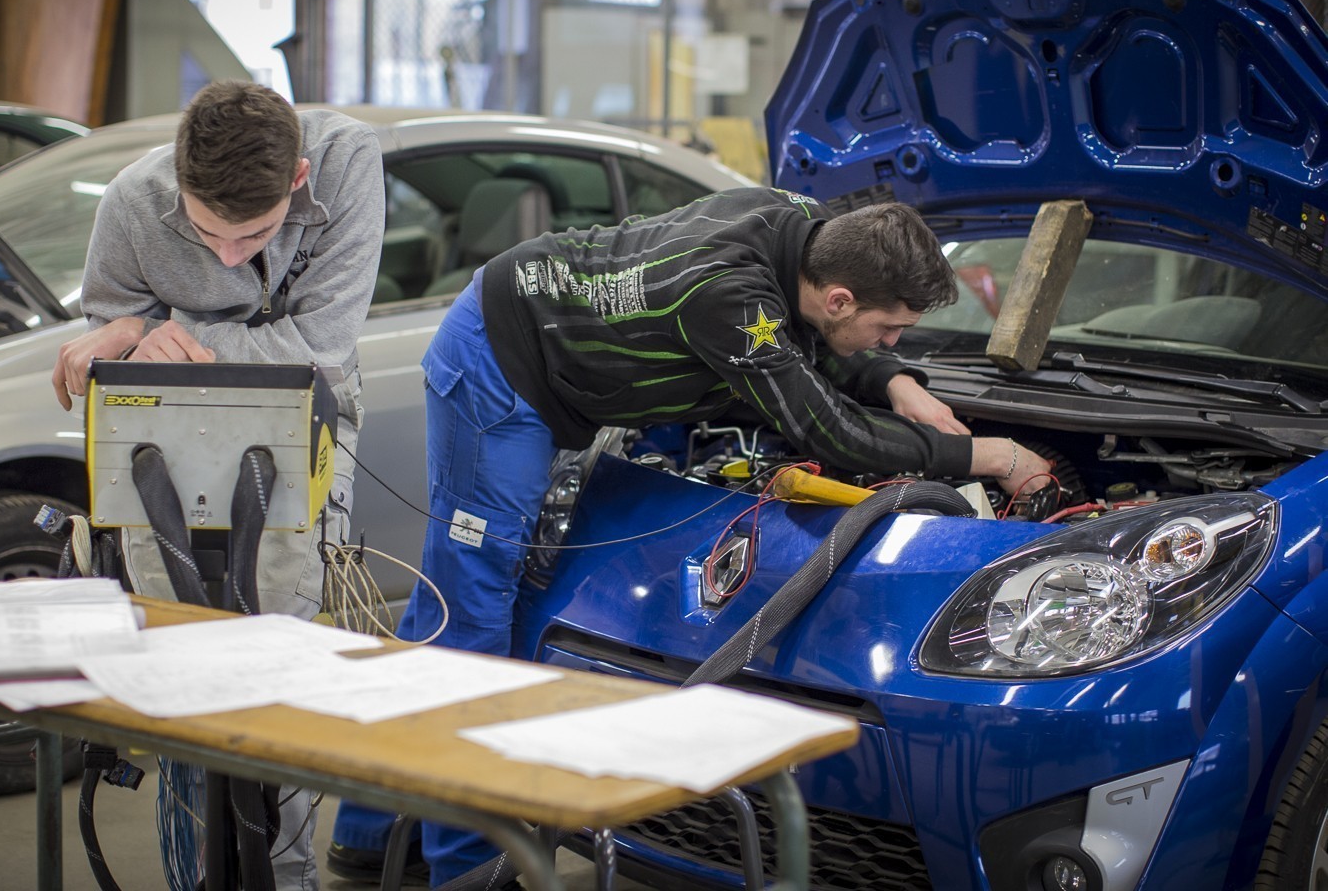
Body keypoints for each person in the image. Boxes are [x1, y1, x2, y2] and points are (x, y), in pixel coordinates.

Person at [329, 186, 1049, 886]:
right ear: (838, 300)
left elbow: (832, 351)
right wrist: (988, 457)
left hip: (548, 333)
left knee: (444, 608)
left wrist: (895, 379)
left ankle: (367, 837)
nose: (892, 343)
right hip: (500, 362)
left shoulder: (805, 222)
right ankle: (469, 871)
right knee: (474, 618)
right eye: (889, 330)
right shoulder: (728, 299)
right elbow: (828, 431)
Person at [52, 79, 385, 891]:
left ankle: (286, 878)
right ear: (177, 181)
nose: (231, 256)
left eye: (257, 235)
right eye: (207, 235)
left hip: (304, 415)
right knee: (185, 653)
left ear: (297, 178)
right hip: (170, 422)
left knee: (281, 647)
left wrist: (160, 329)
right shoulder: (133, 202)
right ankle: (201, 872)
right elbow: (108, 346)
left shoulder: (347, 162)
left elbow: (322, 346)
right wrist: (124, 334)